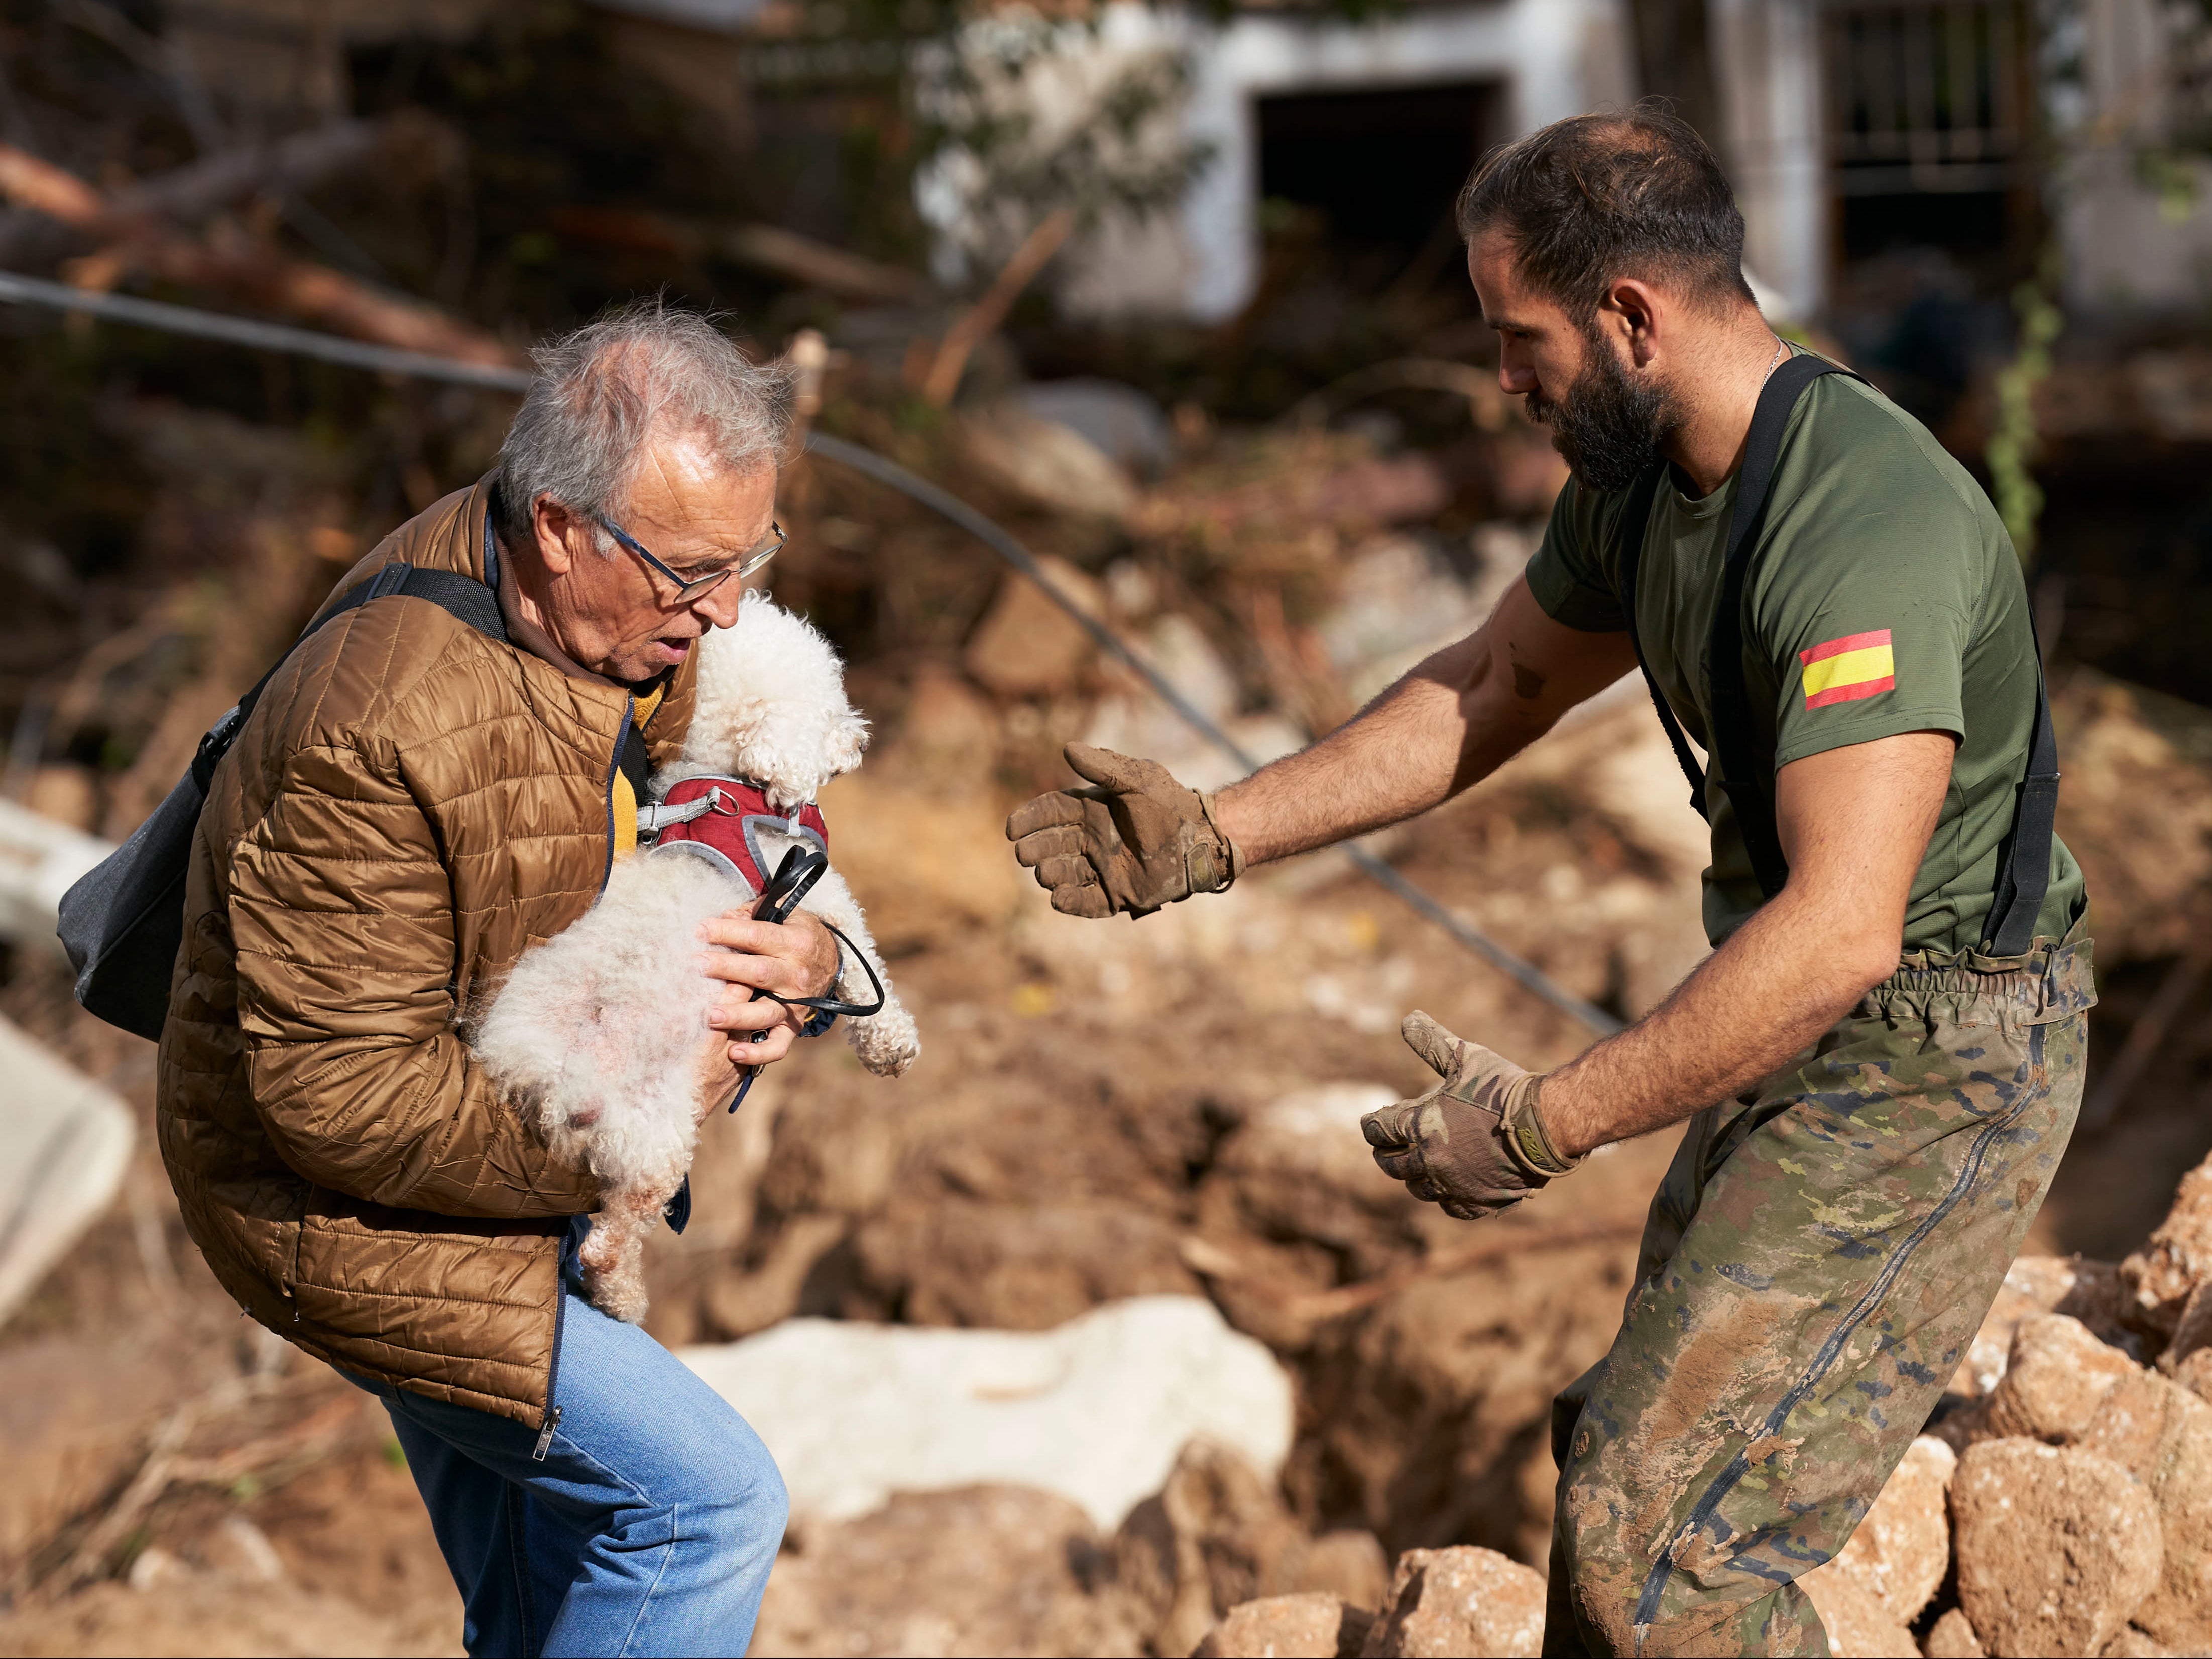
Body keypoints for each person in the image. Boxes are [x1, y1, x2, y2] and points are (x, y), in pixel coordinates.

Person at [1006, 108, 2091, 1657]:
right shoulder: (1646, 479)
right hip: (1820, 1011)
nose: (1503, 381)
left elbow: (1846, 928)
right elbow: (1495, 684)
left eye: (1521, 339)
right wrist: (1212, 833)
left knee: (1667, 1553)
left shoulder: (1867, 522)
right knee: (1617, 1470)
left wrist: (1545, 1123)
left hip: (1942, 1053)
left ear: (1631, 319)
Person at [155, 304, 839, 1658]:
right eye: (696, 571)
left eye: (749, 558)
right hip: (341, 1212)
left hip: (493, 1145)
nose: (727, 610)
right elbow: (338, 1101)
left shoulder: (620, 611)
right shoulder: (374, 724)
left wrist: (804, 958)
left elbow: (749, 796)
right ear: (561, 524)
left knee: (541, 1605)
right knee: (702, 1510)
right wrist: (633, 1119)